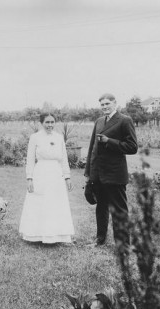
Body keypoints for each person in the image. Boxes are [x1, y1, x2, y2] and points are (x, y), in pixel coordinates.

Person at [84, 93, 138, 247]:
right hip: (99, 175)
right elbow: (92, 149)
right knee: (101, 208)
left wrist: (110, 141)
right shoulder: (99, 121)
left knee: (119, 211)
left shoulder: (124, 120)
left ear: (115, 103)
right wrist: (88, 172)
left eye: (107, 104)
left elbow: (132, 147)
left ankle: (122, 245)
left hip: (115, 174)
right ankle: (100, 239)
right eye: (102, 104)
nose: (105, 107)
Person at [19, 113, 75, 244]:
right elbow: (30, 160)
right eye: (47, 122)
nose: (50, 125)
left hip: (56, 174)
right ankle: (36, 235)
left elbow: (64, 159)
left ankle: (58, 236)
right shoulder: (35, 137)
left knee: (56, 203)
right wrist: (29, 178)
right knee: (40, 202)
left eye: (52, 122)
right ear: (41, 123)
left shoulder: (59, 137)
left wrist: (67, 177)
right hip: (41, 173)